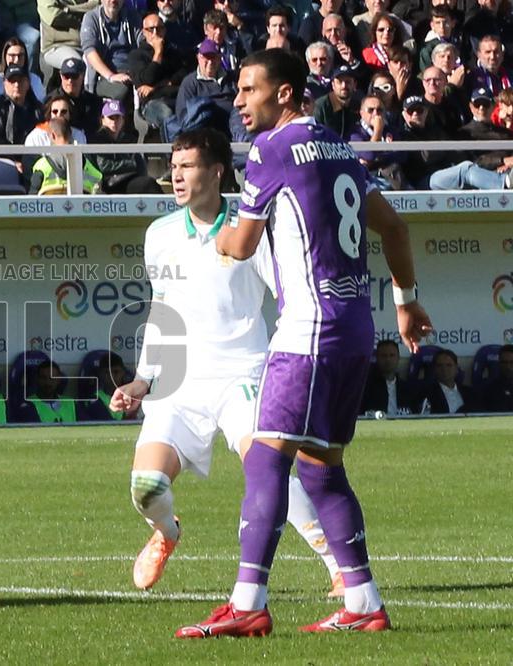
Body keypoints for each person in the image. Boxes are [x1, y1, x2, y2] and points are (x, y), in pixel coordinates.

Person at [176, 48, 432, 638]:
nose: (238, 101)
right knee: (321, 469)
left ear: (285, 94)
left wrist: (218, 242)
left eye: (248, 89)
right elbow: (393, 225)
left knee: (267, 457)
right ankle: (363, 601)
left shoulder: (270, 149)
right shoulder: (341, 148)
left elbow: (240, 245)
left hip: (308, 327)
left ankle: (247, 603)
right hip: (354, 327)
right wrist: (406, 300)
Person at [111, 128, 342, 595]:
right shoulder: (160, 236)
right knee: (147, 485)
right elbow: (163, 309)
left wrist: (291, 363)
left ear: (216, 171)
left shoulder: (249, 229)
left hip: (244, 374)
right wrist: (141, 379)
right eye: (173, 167)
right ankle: (166, 532)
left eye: (188, 166)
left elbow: (290, 298)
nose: (177, 176)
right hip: (179, 382)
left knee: (268, 467)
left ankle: (338, 564)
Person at [80, 0, 140, 101]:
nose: (113, 1)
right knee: (122, 91)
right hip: (104, 76)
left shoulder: (132, 16)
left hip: (132, 71)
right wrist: (111, 76)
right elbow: (90, 52)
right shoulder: (91, 18)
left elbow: (143, 41)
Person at [29, 116, 101, 194]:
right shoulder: (89, 168)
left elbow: (31, 200)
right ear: (71, 134)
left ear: (53, 135)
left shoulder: (41, 167)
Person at [359, 339, 415, 415]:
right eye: (383, 356)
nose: (388, 360)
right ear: (377, 358)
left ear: (398, 358)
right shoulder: (366, 387)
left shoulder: (408, 388)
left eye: (392, 355)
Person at [12, 361, 78, 423]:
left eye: (52, 378)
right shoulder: (28, 404)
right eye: (43, 378)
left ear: (58, 380)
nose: (48, 382)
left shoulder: (71, 403)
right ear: (37, 379)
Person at [417, 348, 479, 414]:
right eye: (439, 366)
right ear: (434, 369)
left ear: (456, 369)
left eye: (449, 365)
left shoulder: (470, 393)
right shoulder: (427, 394)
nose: (444, 369)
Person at [483, 344, 513, 412]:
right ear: (499, 363)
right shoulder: (491, 389)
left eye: (512, 362)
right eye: (504, 362)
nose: (508, 366)